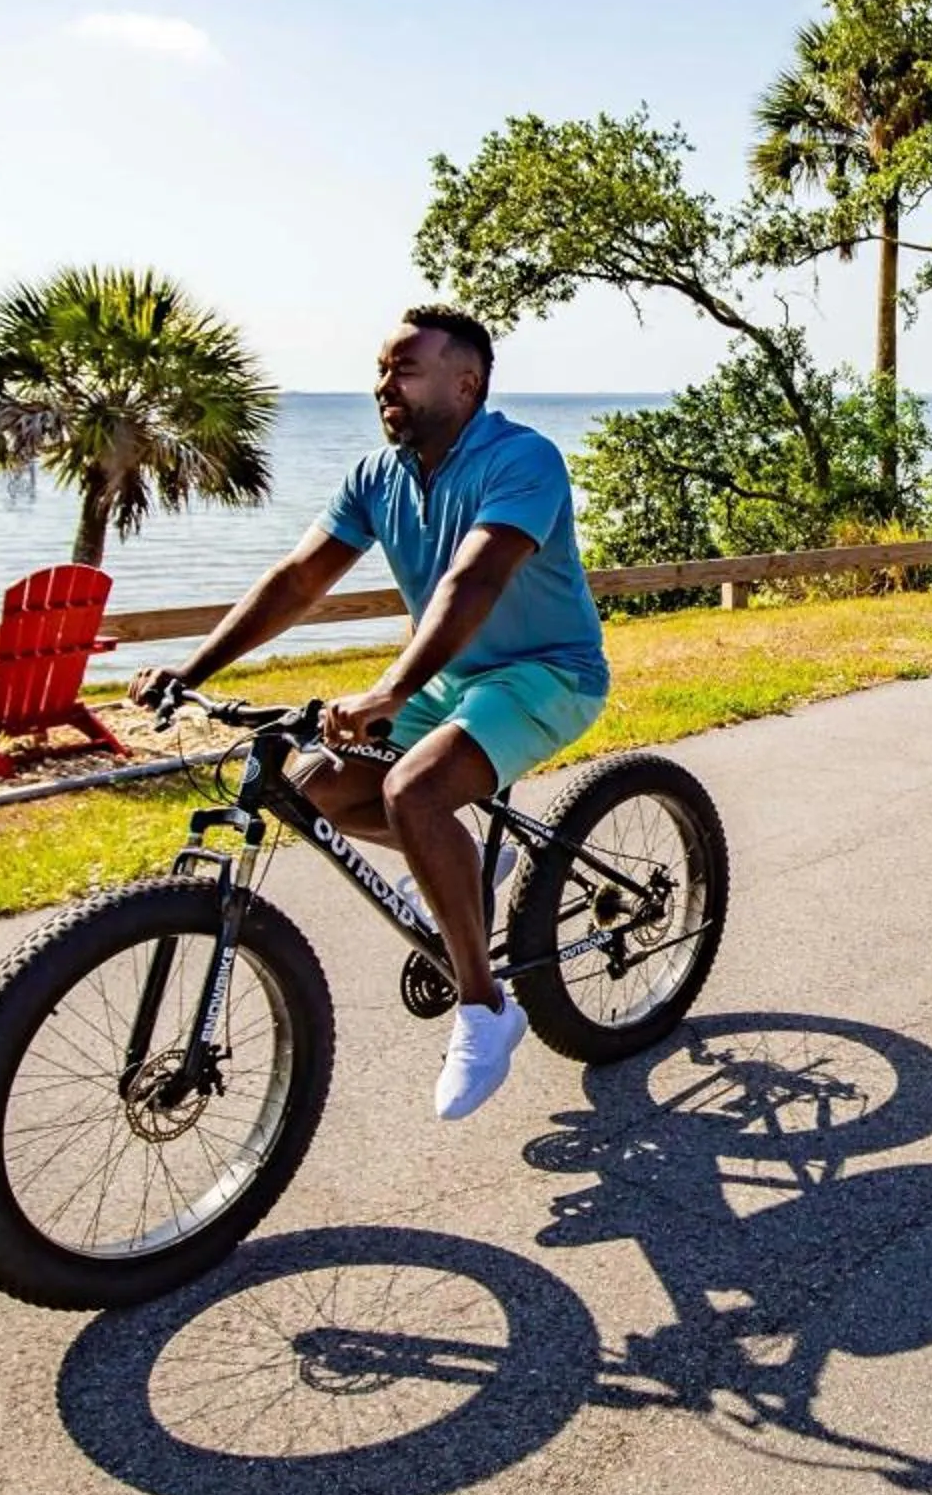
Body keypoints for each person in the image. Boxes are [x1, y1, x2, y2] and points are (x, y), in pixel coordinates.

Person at [129, 305, 609, 1122]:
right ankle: (467, 865)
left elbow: (473, 582)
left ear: (468, 382)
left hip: (542, 673)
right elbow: (296, 580)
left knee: (414, 793)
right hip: (446, 678)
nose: (385, 385)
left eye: (405, 369)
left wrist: (389, 689)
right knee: (320, 791)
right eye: (381, 370)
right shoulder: (376, 477)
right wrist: (193, 666)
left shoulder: (523, 459)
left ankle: (485, 1008)